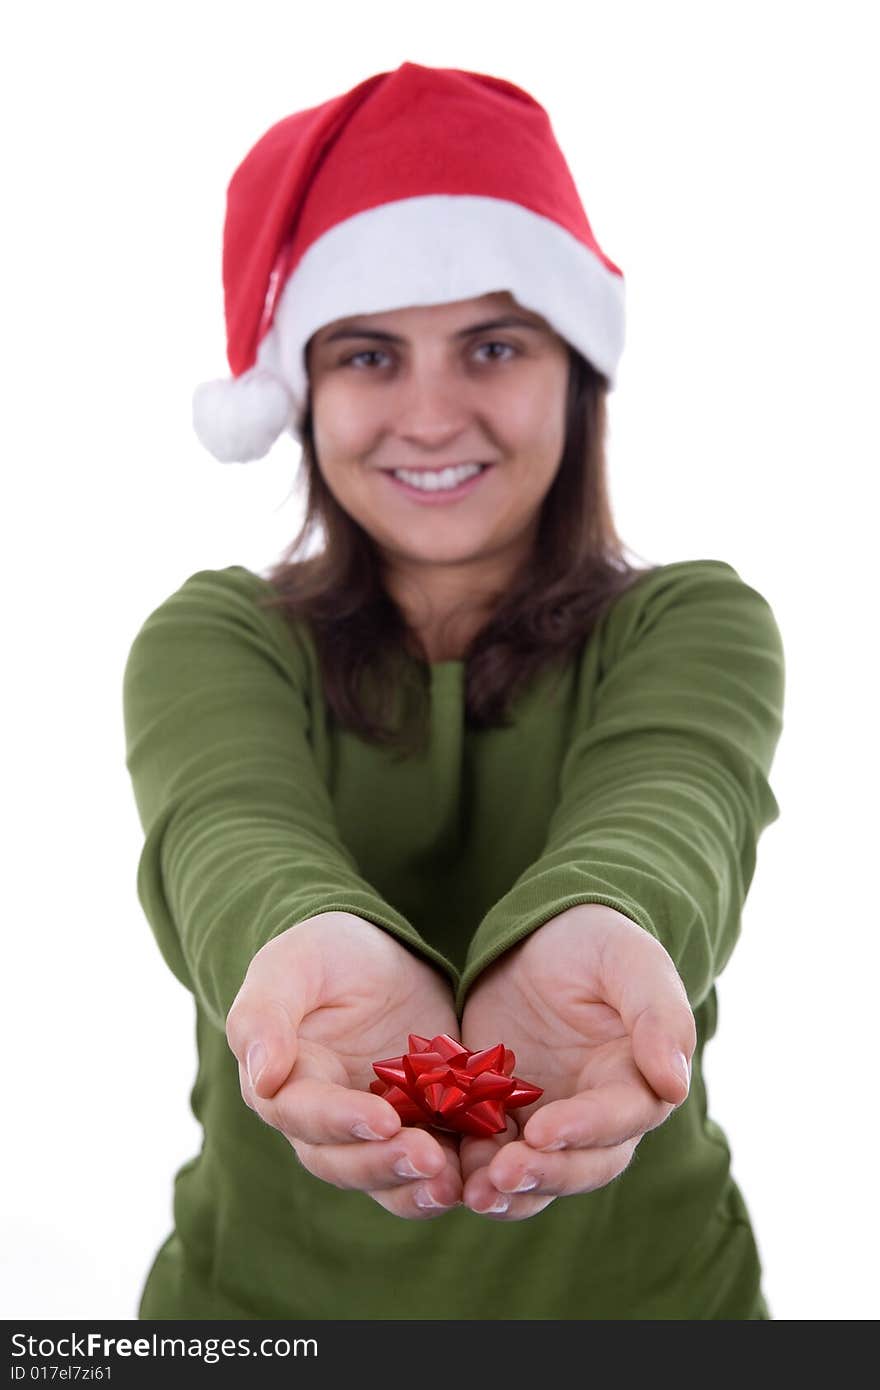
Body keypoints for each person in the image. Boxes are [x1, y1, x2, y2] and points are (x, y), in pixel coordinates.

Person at [122, 60, 785, 1320]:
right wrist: (292, 932)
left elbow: (673, 799)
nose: (430, 415)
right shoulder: (216, 635)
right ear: (305, 394)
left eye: (492, 344)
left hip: (649, 1304)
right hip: (256, 1311)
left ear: (574, 376)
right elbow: (225, 821)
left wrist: (609, 915)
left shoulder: (694, 620)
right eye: (370, 354)